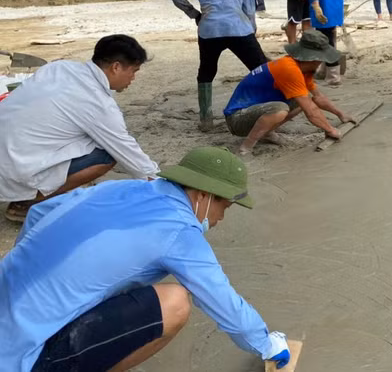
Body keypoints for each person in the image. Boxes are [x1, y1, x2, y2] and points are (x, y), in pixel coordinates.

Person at [0, 146, 293, 370]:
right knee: (175, 302)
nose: (219, 219)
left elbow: (39, 213)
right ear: (204, 196)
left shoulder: (124, 187)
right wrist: (265, 344)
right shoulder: (179, 231)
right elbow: (220, 298)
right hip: (20, 357)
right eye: (224, 208)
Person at [0, 35, 159, 224]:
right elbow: (127, 151)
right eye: (133, 71)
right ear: (116, 67)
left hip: (8, 152)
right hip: (15, 168)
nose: (133, 78)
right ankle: (27, 202)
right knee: (107, 153)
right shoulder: (98, 103)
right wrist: (160, 184)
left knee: (86, 136)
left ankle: (30, 188)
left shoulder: (58, 67)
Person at [170, 0, 268, 132]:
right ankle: (268, 110)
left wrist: (194, 14)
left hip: (209, 29)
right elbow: (249, 7)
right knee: (260, 68)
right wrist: (252, 27)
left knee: (206, 71)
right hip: (238, 28)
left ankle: (206, 119)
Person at [223, 31, 355, 155]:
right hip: (237, 118)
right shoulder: (288, 69)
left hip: (255, 111)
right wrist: (330, 130)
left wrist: (341, 114)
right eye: (321, 60)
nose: (321, 63)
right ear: (313, 58)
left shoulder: (303, 69)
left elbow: (318, 97)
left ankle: (266, 132)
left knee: (303, 99)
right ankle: (246, 146)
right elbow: (311, 111)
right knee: (281, 109)